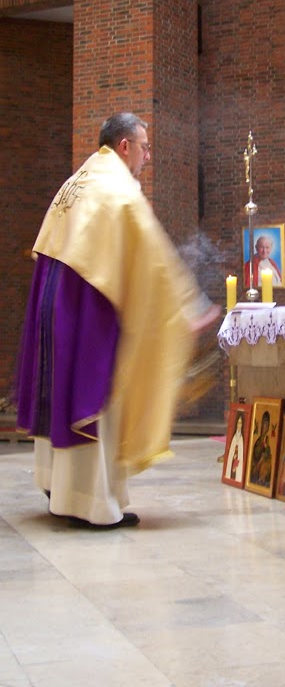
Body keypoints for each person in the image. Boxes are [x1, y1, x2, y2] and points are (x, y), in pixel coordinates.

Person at [16, 112, 220, 529]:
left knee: (64, 390)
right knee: (96, 392)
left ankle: (61, 490)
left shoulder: (78, 181)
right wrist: (188, 307)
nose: (147, 156)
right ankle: (92, 505)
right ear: (124, 146)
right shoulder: (118, 189)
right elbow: (155, 259)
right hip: (89, 313)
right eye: (145, 147)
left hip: (59, 310)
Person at [224, 409, 245, 483]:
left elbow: (241, 454)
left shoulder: (241, 439)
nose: (239, 425)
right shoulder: (234, 438)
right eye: (238, 423)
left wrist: (237, 459)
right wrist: (233, 457)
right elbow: (230, 452)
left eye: (241, 423)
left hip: (237, 461)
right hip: (232, 460)